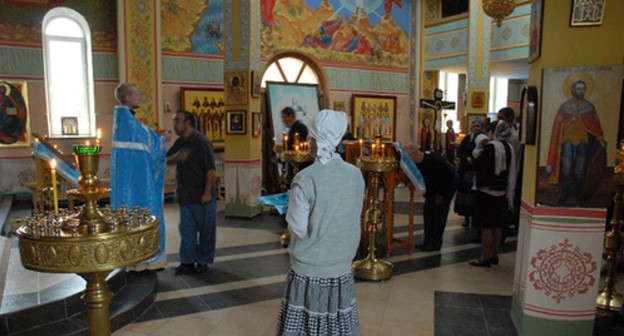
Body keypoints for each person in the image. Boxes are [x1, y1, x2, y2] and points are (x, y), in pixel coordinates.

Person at [277, 109, 365, 335]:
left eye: (310, 136)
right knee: (337, 325)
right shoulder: (355, 174)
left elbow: (298, 228)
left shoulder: (306, 178)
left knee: (306, 327)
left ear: (315, 138)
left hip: (310, 270)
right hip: (341, 267)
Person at [111, 83, 172, 271]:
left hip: (124, 184)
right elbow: (154, 147)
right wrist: (163, 140)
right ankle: (144, 258)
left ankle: (130, 260)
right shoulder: (131, 124)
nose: (139, 98)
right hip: (140, 185)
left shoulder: (121, 122)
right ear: (128, 98)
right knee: (144, 215)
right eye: (136, 94)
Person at [166, 110, 217, 275]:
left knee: (205, 232)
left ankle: (203, 261)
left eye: (176, 120)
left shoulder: (201, 142)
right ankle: (187, 261)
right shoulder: (181, 141)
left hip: (201, 195)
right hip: (185, 195)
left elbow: (210, 169)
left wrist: (207, 193)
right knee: (187, 231)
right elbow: (168, 158)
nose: (174, 124)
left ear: (187, 122)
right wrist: (178, 158)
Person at [546, 79, 606, 204]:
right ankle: (565, 192)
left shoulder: (588, 107)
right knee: (566, 167)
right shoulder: (565, 107)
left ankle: (579, 193)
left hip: (583, 141)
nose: (580, 91)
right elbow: (558, 125)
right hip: (567, 141)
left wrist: (600, 138)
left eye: (582, 89)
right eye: (578, 89)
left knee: (580, 167)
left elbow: (595, 125)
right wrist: (567, 123)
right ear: (573, 90)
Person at [469, 121, 516, 267]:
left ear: (494, 132)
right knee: (497, 225)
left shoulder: (491, 147)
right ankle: (495, 255)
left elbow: (477, 165)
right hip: (502, 191)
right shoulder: (509, 147)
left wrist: (476, 153)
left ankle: (485, 257)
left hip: (486, 192)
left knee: (486, 227)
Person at [406, 144, 459, 251]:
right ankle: (427, 241)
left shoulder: (433, 159)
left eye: (408, 157)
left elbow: (447, 175)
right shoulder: (418, 163)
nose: (408, 161)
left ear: (416, 153)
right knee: (428, 211)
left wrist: (440, 194)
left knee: (439, 213)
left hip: (448, 184)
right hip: (434, 185)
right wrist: (426, 192)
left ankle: (435, 243)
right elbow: (427, 178)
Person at [455, 118, 484, 227]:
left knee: (475, 196)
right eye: (474, 126)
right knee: (466, 195)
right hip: (466, 170)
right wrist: (467, 158)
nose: (476, 128)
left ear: (482, 127)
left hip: (477, 171)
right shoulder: (467, 139)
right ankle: (466, 217)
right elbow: (460, 152)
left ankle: (475, 217)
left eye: (478, 126)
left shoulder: (484, 140)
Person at [280, 106, 309, 183]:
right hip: (293, 162)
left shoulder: (300, 128)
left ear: (291, 116)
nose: (283, 120)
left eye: (284, 117)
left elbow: (299, 147)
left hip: (300, 163)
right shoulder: (293, 128)